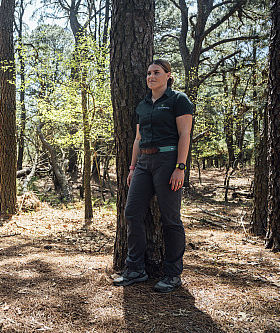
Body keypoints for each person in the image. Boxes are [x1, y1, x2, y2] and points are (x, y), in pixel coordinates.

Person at [113, 59, 193, 292]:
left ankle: (172, 273)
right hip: (143, 164)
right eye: (148, 73)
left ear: (168, 75)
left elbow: (185, 135)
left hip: (168, 162)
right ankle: (135, 269)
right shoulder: (143, 105)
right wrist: (132, 168)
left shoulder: (178, 100)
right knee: (132, 213)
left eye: (156, 72)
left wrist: (180, 167)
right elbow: (138, 139)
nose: (151, 76)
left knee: (170, 219)